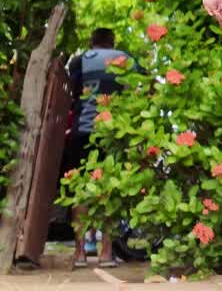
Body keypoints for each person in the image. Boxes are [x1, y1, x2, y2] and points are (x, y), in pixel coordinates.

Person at [62, 28, 134, 269]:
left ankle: (80, 253)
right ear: (112, 42)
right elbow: (140, 88)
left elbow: (72, 94)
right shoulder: (125, 59)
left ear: (91, 43)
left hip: (82, 132)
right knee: (110, 190)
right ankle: (106, 254)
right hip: (113, 134)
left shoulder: (79, 61)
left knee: (80, 191)